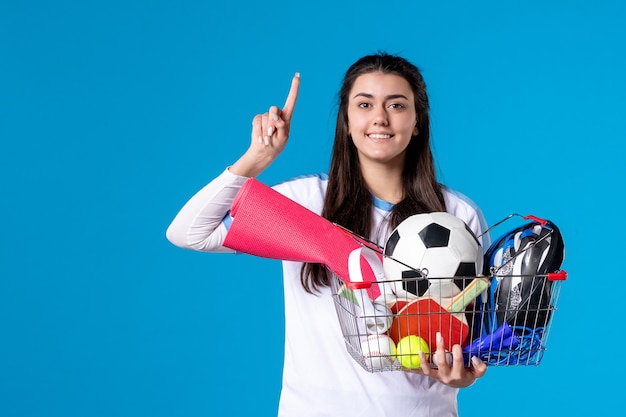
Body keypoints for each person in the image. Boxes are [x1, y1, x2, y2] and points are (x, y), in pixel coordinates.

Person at [166, 52, 491, 416]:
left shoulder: (458, 216)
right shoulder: (303, 202)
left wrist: (463, 376)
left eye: (397, 105)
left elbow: (474, 341)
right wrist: (256, 159)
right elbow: (189, 232)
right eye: (364, 104)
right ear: (347, 121)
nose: (380, 118)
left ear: (417, 122)